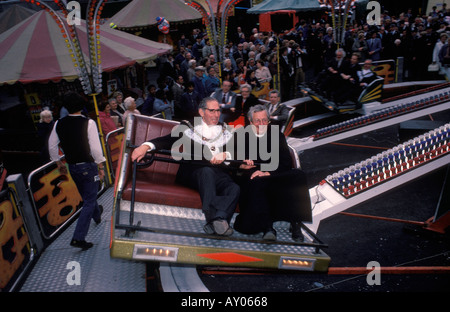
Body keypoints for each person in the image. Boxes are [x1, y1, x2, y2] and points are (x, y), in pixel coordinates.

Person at [131, 97, 239, 236]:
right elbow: (167, 140)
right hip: (193, 172)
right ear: (201, 112)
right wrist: (145, 146)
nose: (216, 114)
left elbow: (238, 150)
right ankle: (214, 219)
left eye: (218, 111)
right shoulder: (189, 126)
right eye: (212, 111)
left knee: (234, 187)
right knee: (206, 172)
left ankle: (218, 220)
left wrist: (226, 154)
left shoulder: (225, 130)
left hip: (218, 174)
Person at [232, 105, 312, 241]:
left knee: (299, 175)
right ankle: (268, 227)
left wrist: (268, 172)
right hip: (252, 176)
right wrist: (248, 168)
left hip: (273, 173)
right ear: (251, 122)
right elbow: (237, 161)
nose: (261, 124)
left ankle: (296, 222)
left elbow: (286, 162)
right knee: (258, 181)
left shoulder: (277, 135)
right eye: (257, 121)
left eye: (265, 120)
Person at [48, 92, 106, 250]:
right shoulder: (89, 123)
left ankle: (96, 214)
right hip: (88, 165)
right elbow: (95, 148)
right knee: (88, 200)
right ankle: (78, 237)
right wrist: (101, 166)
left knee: (88, 196)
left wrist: (58, 162)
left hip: (72, 167)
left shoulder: (58, 123)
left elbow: (52, 145)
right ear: (82, 106)